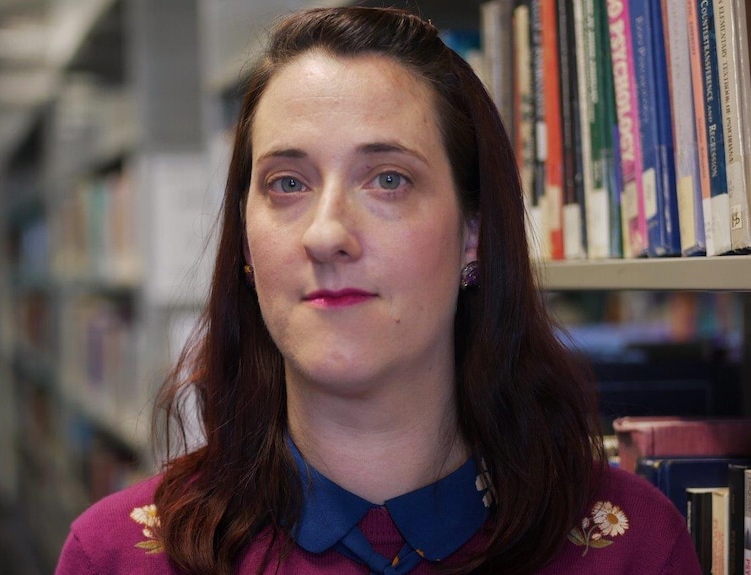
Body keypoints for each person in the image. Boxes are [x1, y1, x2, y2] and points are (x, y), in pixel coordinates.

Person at [54, 6, 698, 575]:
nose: (328, 232)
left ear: (474, 234)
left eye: (388, 180)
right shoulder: (118, 556)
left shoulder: (628, 547)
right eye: (287, 183)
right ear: (246, 243)